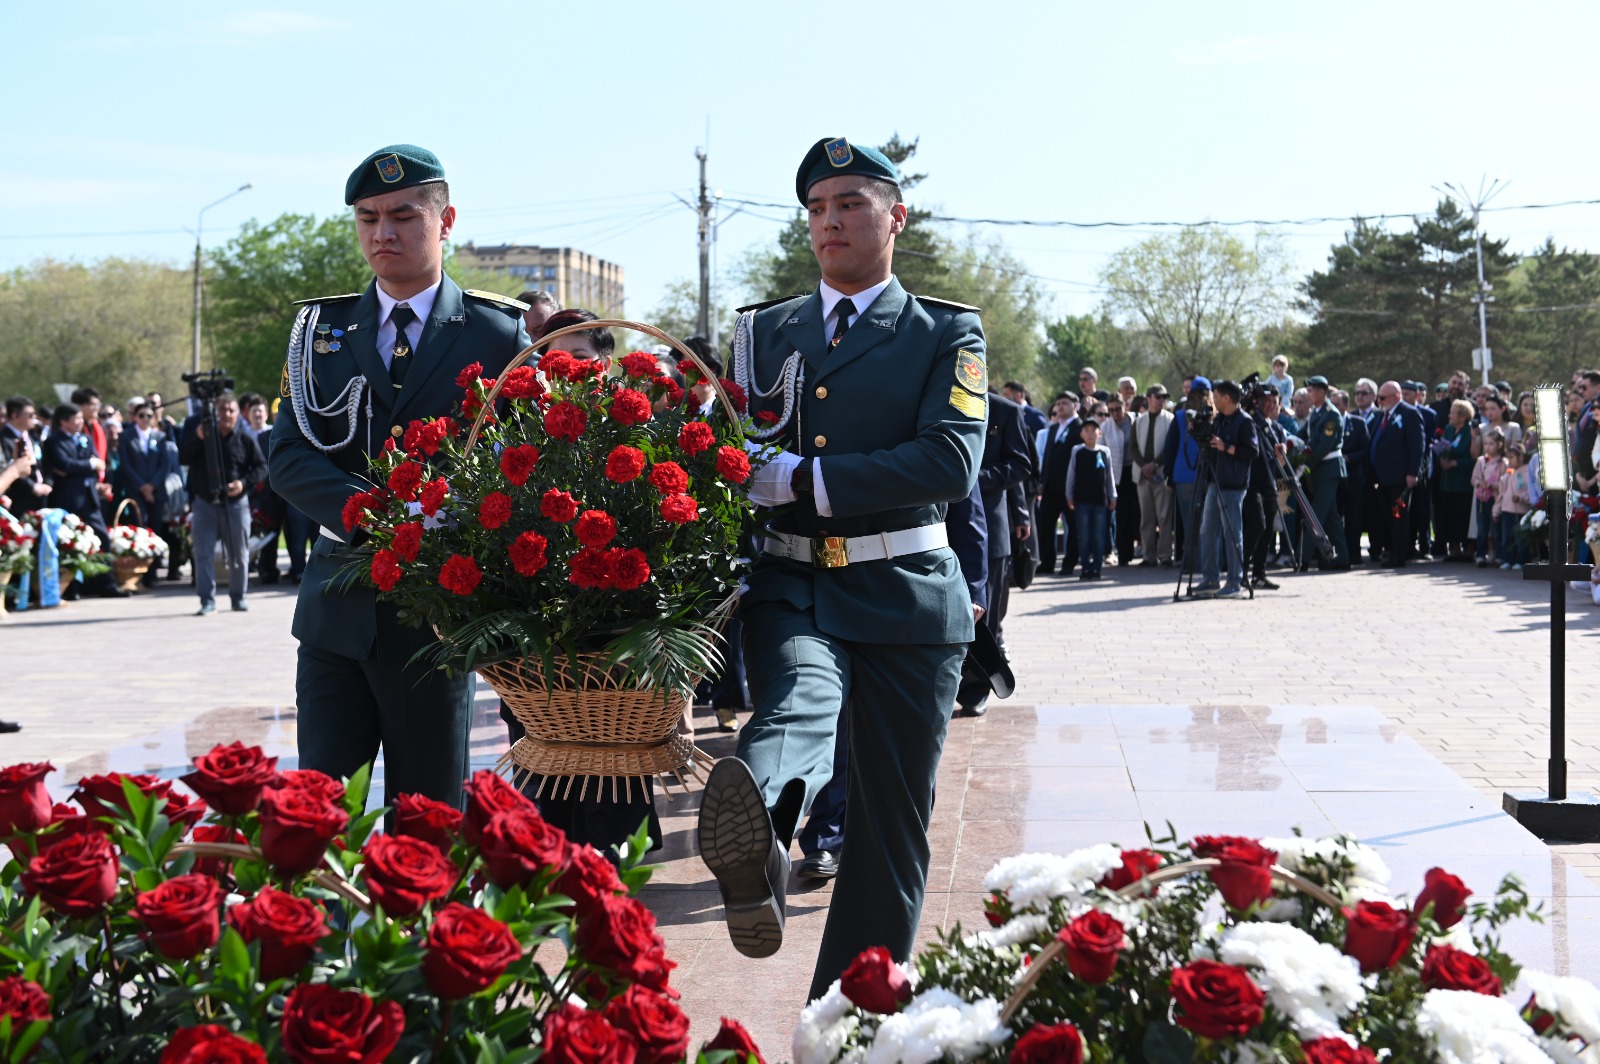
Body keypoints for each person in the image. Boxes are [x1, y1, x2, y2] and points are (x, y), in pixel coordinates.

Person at [696, 137, 985, 1003]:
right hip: (794, 581)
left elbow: (950, 461)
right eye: (817, 208)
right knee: (796, 696)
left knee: (891, 828)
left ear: (895, 217)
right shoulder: (762, 331)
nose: (830, 221)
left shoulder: (943, 330)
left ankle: (852, 1020)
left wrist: (807, 479)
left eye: (851, 204)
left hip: (905, 590)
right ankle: (759, 843)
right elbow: (719, 446)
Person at [269, 144, 531, 809]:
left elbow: (522, 466)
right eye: (367, 218)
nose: (382, 233)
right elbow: (290, 458)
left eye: (403, 216)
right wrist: (380, 517)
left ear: (445, 222)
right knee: (316, 820)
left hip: (435, 620)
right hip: (336, 613)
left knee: (429, 821)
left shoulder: (497, 335)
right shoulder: (319, 333)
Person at [181, 394, 265, 615]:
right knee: (203, 553)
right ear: (215, 414)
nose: (226, 414)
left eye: (231, 410)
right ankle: (207, 601)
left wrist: (243, 483)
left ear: (239, 414)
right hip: (204, 503)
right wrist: (197, 438)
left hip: (236, 504)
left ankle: (238, 597)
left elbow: (261, 467)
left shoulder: (245, 439)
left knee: (238, 553)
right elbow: (183, 457)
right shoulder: (202, 436)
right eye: (222, 410)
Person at [41, 404, 127, 599]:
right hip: (67, 499)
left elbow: (96, 463)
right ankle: (71, 587)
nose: (80, 422)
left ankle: (106, 583)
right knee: (69, 542)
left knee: (102, 538)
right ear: (63, 421)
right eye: (76, 419)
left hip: (89, 497)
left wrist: (83, 467)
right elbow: (64, 464)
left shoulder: (86, 439)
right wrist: (87, 464)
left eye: (81, 418)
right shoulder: (54, 441)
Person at [1193, 380, 1257, 599]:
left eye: (1217, 396)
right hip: (1214, 482)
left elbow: (1251, 452)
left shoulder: (1244, 421)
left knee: (1232, 534)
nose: (1214, 400)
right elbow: (1211, 446)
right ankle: (1210, 577)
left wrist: (1226, 447)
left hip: (1233, 485)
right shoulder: (1218, 419)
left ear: (1227, 398)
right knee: (1207, 530)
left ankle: (1234, 581)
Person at [1369, 381, 1424, 567]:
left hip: (1400, 476)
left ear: (1397, 397)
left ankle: (1400, 553)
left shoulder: (1410, 414)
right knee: (1385, 513)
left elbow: (1417, 446)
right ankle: (1390, 548)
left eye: (1383, 398)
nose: (1380, 401)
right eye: (1378, 398)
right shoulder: (1380, 415)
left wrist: (1412, 472)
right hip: (1380, 477)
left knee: (1399, 514)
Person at [1296, 376, 1348, 571]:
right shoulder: (1316, 413)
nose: (1308, 394)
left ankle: (1303, 559)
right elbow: (1303, 435)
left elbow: (1324, 446)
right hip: (1320, 469)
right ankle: (1341, 558)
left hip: (1328, 468)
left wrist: (1304, 462)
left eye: (1311, 391)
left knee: (1314, 515)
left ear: (1321, 392)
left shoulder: (1331, 415)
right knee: (1331, 517)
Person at [1035, 392, 1081, 576]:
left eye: (1065, 403)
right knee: (1046, 526)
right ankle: (1047, 562)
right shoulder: (1053, 428)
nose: (1060, 407)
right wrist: (1041, 481)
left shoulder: (1080, 427)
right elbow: (1047, 458)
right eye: (1058, 403)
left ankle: (1069, 563)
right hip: (1049, 488)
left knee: (1073, 527)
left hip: (1069, 487)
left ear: (1075, 405)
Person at [1065, 418, 1115, 580]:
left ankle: (1097, 568)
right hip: (1082, 500)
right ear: (1081, 434)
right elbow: (1071, 474)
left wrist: (1112, 495)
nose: (1090, 433)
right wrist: (1069, 495)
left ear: (1099, 433)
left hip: (1100, 500)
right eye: (1086, 430)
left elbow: (1109, 476)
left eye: (1093, 430)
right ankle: (1085, 567)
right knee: (1084, 536)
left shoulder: (1104, 452)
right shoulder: (1077, 451)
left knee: (1099, 536)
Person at [1131, 384, 1174, 567]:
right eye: (1158, 397)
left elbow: (1171, 447)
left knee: (1164, 517)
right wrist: (1144, 466)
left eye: (1164, 397)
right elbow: (1132, 447)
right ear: (1148, 399)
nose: (1161, 400)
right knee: (1146, 517)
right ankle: (1149, 556)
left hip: (1161, 474)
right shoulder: (1139, 421)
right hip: (1142, 476)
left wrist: (1155, 464)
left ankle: (1165, 555)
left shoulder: (1170, 420)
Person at [1435, 399, 1475, 560]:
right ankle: (1455, 548)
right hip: (1447, 482)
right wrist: (1442, 459)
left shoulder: (1469, 432)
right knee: (1449, 515)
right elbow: (1444, 447)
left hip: (1463, 483)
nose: (1449, 415)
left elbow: (1474, 459)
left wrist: (1455, 463)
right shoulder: (1449, 429)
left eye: (1453, 412)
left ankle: (1469, 550)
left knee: (1462, 515)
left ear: (1463, 416)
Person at [1103, 396, 1138, 565]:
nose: (1115, 413)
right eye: (1111, 410)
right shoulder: (1105, 427)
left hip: (1136, 471)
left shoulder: (1135, 421)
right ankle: (1124, 554)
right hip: (1117, 475)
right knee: (1122, 514)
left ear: (1125, 406)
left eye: (1118, 409)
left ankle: (1145, 550)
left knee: (1138, 512)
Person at [1, 398, 51, 513]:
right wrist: (32, 487)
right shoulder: (4, 439)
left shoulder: (32, 436)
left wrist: (47, 483)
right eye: (30, 415)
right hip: (19, 498)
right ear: (15, 416)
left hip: (41, 495)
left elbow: (44, 461)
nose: (35, 418)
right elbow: (6, 468)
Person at [1470, 428, 1507, 567]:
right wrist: (1481, 483)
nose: (1487, 446)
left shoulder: (1504, 463)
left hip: (1496, 499)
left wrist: (1493, 485)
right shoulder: (1481, 461)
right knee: (1482, 527)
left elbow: (1505, 482)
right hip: (1482, 498)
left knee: (1496, 528)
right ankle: (1480, 555)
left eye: (1491, 443)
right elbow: (1474, 479)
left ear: (1499, 445)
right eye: (1485, 443)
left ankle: (1499, 555)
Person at [1494, 444, 1531, 570]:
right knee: (1507, 537)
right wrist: (1496, 509)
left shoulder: (1527, 472)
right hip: (1506, 509)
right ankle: (1507, 559)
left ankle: (1521, 561)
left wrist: (1521, 498)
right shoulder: (1508, 473)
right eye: (1508, 458)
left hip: (1521, 510)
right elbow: (1502, 493)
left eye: (1512, 457)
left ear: (1521, 457)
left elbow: (1529, 491)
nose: (1509, 461)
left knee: (1521, 538)